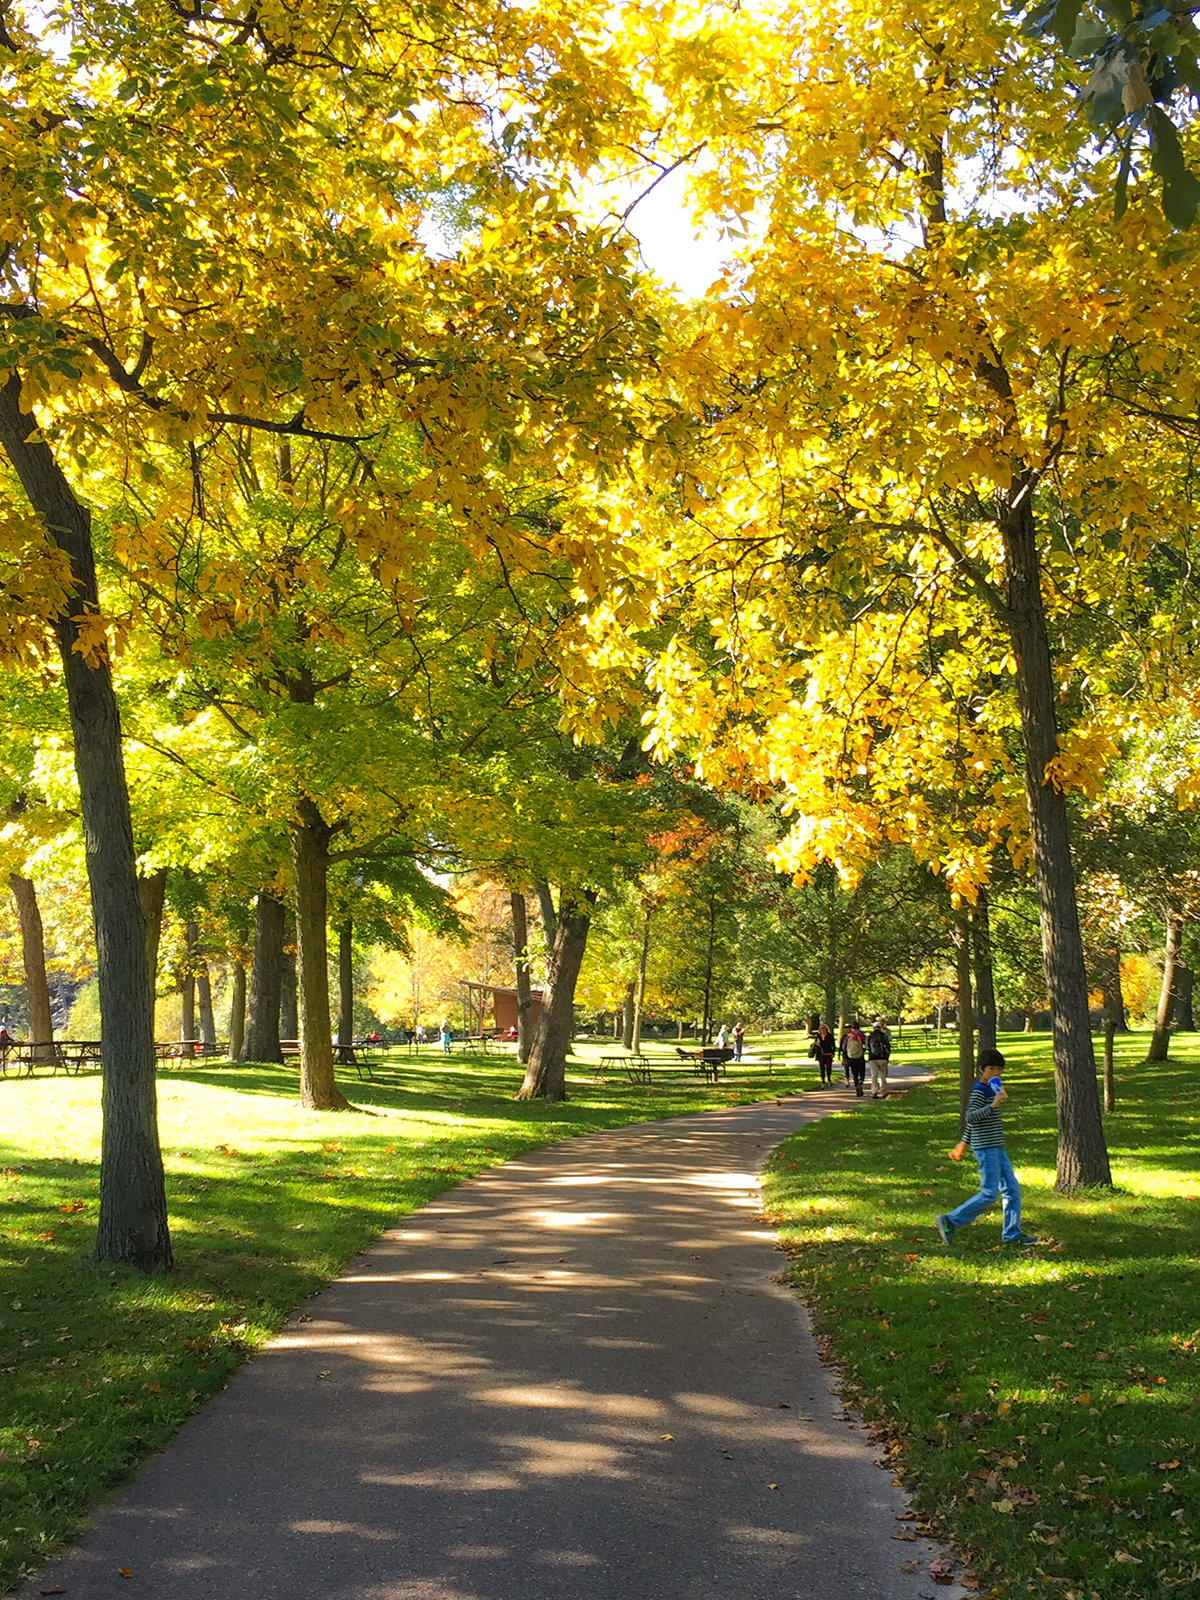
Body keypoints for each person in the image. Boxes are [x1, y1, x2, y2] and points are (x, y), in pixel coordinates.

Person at [936, 1049, 1038, 1248]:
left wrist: (962, 1143)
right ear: (981, 1070)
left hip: (997, 1146)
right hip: (986, 1149)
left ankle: (1012, 1233)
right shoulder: (979, 1091)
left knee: (1011, 1190)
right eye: (991, 1069)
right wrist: (992, 1105)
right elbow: (970, 1117)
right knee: (990, 1193)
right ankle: (950, 1220)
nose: (996, 1073)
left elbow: (974, 1124)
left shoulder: (992, 1090)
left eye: (999, 1069)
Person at [840, 1019, 866, 1094]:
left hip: (851, 1057)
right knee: (861, 1071)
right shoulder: (861, 1035)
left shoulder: (849, 1036)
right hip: (860, 1056)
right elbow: (866, 1043)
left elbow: (844, 1047)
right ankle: (860, 1082)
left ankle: (856, 1086)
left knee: (854, 1073)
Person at [867, 1019, 891, 1098]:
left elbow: (867, 1047)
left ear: (873, 1028)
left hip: (873, 1058)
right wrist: (887, 1057)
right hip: (882, 1058)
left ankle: (874, 1091)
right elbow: (888, 1046)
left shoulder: (870, 1036)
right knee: (883, 1076)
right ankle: (883, 1091)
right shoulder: (884, 1036)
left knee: (874, 1075)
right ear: (880, 1027)